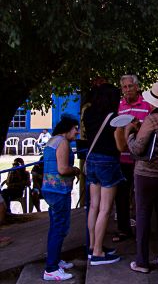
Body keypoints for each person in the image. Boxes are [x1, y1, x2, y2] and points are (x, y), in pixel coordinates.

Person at [124, 82, 158, 274]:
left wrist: (130, 133)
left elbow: (138, 148)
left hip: (146, 174)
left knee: (143, 215)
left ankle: (142, 261)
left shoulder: (152, 119)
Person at [83, 83, 123, 265]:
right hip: (108, 162)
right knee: (106, 208)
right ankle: (98, 252)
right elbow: (120, 146)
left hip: (91, 161)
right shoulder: (114, 118)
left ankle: (92, 247)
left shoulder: (89, 114)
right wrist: (128, 129)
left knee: (94, 206)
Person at [40, 115, 81, 281]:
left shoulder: (52, 140)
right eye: (75, 128)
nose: (77, 132)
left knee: (55, 227)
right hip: (59, 191)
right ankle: (51, 269)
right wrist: (76, 170)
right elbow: (63, 169)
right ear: (67, 128)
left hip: (49, 189)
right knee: (60, 228)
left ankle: (55, 260)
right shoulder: (63, 142)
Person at [114, 74, 152, 243]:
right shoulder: (119, 106)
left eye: (130, 86)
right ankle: (123, 229)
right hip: (123, 158)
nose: (128, 90)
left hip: (141, 158)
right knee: (121, 196)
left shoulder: (146, 105)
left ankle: (142, 230)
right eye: (124, 87)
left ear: (137, 87)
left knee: (140, 196)